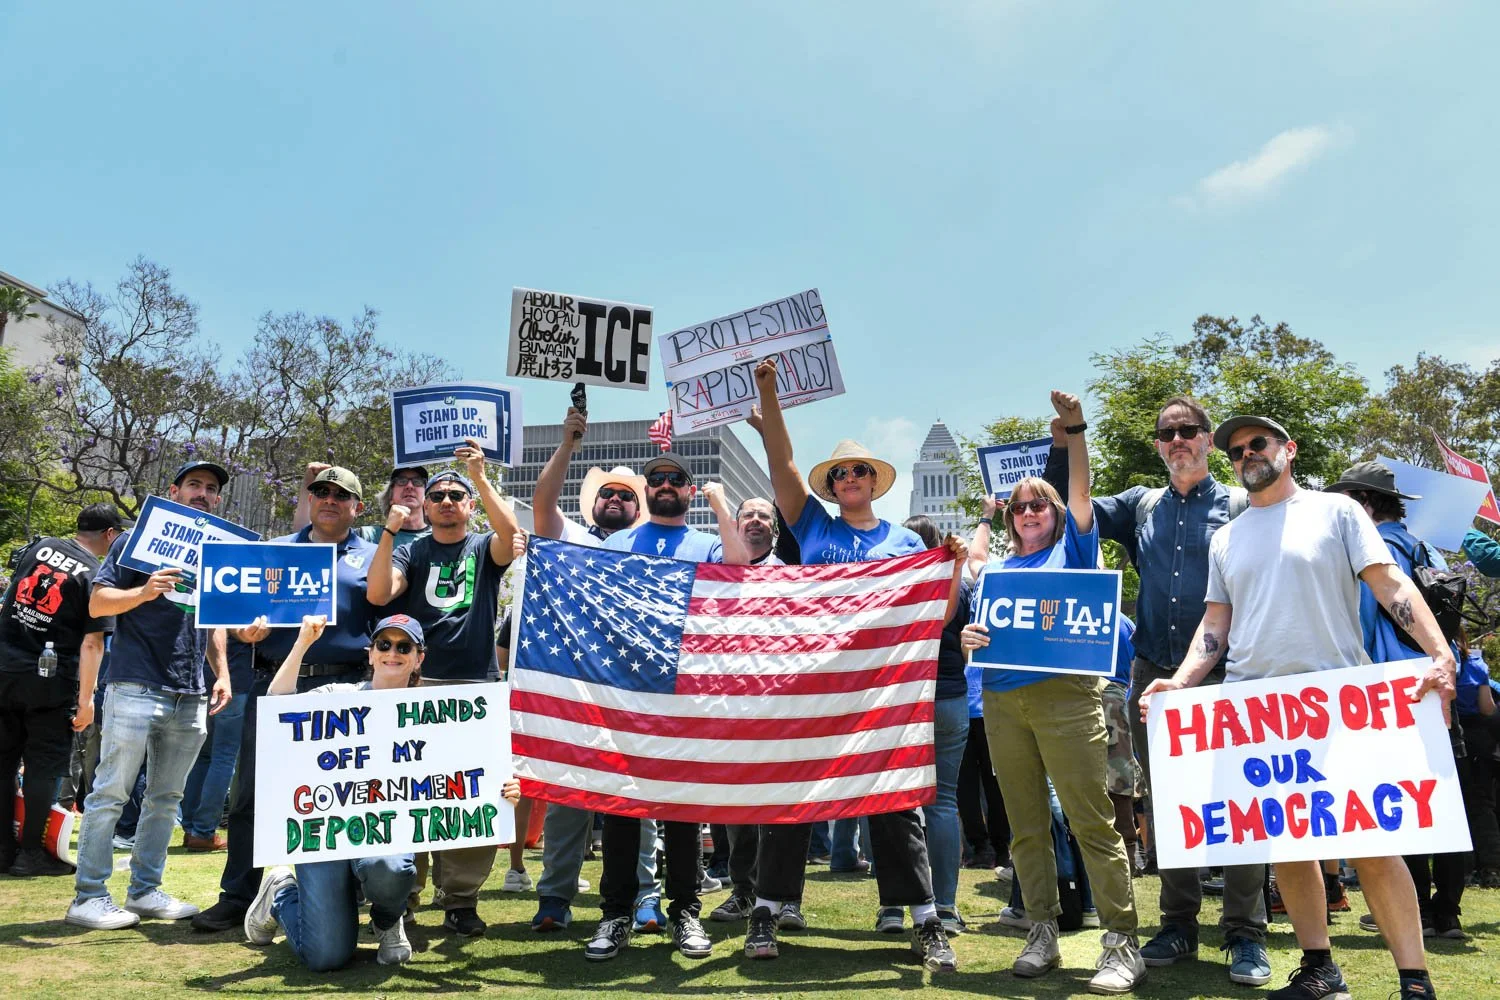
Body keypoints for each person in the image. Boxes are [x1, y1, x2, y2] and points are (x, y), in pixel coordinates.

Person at [1139, 415, 1458, 1000]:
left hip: (1341, 703)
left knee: (1372, 844)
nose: (1245, 455)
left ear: (1289, 449)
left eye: (1256, 443)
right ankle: (1319, 969)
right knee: (1286, 844)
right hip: (1258, 711)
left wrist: (1440, 654)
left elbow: (1391, 585)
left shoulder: (1336, 512)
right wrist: (1179, 683)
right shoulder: (1226, 538)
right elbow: (1217, 624)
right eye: (1235, 450)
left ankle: (1414, 981)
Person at [1038, 394, 1268, 984]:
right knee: (1168, 803)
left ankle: (1245, 933)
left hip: (1231, 672)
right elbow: (1074, 508)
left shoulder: (1244, 504)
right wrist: (1072, 435)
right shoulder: (1142, 506)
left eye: (1188, 430)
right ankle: (1179, 924)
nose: (1177, 441)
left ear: (1209, 439)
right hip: (1154, 676)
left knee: (1244, 802)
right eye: (1166, 434)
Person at [747, 356, 963, 974]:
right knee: (792, 799)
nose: (849, 477)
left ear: (875, 479)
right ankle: (767, 910)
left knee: (896, 805)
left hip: (879, 698)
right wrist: (769, 391)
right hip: (811, 691)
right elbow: (785, 469)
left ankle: (924, 920)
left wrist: (947, 570)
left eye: (859, 470)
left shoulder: (904, 544)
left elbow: (936, 618)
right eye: (839, 471)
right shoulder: (811, 525)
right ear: (831, 483)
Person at [960, 390, 1145, 994]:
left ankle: (1121, 942)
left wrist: (1076, 430)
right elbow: (979, 635)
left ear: (1056, 512)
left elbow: (1083, 492)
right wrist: (971, 634)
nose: (1029, 512)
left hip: (1067, 700)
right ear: (1010, 519)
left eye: (1039, 504)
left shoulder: (1076, 552)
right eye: (1019, 508)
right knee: (1025, 827)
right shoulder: (997, 574)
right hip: (1004, 705)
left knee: (1093, 822)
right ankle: (1041, 931)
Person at [242, 613, 523, 969]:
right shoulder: (336, 696)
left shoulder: (440, 715)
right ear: (371, 653)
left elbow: (468, 777)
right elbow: (277, 705)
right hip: (324, 835)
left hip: (385, 836)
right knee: (327, 956)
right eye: (384, 645)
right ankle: (282, 894)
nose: (393, 652)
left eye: (404, 646)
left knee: (389, 866)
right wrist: (303, 643)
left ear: (419, 657)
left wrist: (501, 791)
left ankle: (389, 922)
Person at [192, 466, 379, 933]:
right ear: (309, 499)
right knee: (252, 794)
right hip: (276, 684)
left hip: (349, 687)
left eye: (341, 494)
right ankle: (238, 896)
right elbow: (238, 620)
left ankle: (349, 898)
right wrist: (245, 630)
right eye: (321, 492)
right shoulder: (274, 552)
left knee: (347, 796)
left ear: (357, 506)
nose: (329, 500)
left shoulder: (375, 558)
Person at [67, 461, 234, 929]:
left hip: (192, 691)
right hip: (135, 684)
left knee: (166, 798)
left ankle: (144, 891)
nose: (202, 493)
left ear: (217, 500)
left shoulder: (218, 552)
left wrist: (220, 672)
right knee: (111, 794)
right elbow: (98, 604)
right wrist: (143, 591)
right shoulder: (132, 542)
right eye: (194, 485)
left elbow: (215, 619)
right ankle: (88, 897)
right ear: (173, 491)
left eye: (211, 489)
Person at [367, 438, 519, 937]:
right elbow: (377, 593)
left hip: (476, 684)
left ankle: (460, 899)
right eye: (439, 496)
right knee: (411, 793)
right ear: (426, 506)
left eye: (457, 496)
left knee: (470, 795)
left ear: (469, 505)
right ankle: (403, 897)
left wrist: (477, 474)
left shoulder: (482, 546)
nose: (448, 502)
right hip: (417, 685)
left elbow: (510, 534)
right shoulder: (412, 550)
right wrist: (390, 528)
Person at [586, 449, 730, 962]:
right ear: (646, 491)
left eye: (675, 479)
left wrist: (722, 511)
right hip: (626, 691)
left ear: (689, 491)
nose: (664, 484)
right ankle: (615, 915)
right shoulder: (618, 541)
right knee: (622, 805)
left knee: (683, 810)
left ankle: (685, 912)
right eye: (656, 479)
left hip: (687, 692)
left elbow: (738, 572)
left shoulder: (708, 543)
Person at [1326, 460, 1472, 939]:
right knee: (1442, 798)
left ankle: (1413, 909)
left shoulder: (1380, 550)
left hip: (1395, 689)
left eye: (1349, 501)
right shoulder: (1426, 547)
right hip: (1437, 681)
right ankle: (1445, 912)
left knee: (1402, 803)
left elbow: (1365, 624)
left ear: (1366, 504)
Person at [526, 404, 653, 935]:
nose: (617, 499)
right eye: (609, 493)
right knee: (566, 802)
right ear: (595, 503)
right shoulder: (569, 540)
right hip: (574, 690)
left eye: (627, 495)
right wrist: (568, 445)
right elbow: (542, 504)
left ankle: (647, 897)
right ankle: (554, 898)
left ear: (638, 508)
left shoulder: (653, 550)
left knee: (640, 802)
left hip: (636, 692)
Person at [0, 504, 125, 876]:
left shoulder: (38, 547)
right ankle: (29, 853)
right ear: (108, 534)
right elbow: (92, 645)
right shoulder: (96, 575)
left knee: (3, 762)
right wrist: (86, 701)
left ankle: (3, 849)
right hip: (50, 682)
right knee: (43, 766)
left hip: (4, 668)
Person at [904, 515, 973, 937]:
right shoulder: (962, 586)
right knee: (944, 803)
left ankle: (894, 907)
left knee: (894, 804)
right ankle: (945, 906)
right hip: (952, 699)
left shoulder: (907, 584)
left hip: (907, 702)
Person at [293, 462, 432, 549]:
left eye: (417, 482)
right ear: (390, 496)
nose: (409, 486)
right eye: (401, 481)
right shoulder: (369, 536)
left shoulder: (439, 535)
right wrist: (308, 483)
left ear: (426, 497)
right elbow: (303, 537)